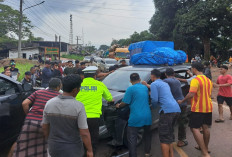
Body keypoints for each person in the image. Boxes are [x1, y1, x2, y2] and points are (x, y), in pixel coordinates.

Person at [42, 75, 93, 157]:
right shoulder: (79, 106)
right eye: (79, 88)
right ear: (75, 90)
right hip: (73, 149)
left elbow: (45, 127)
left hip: (54, 147)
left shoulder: (49, 103)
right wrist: (90, 150)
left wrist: (50, 140)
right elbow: (84, 133)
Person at [13, 78, 62, 157]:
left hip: (30, 122)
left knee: (22, 145)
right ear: (59, 87)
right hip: (47, 124)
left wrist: (29, 115)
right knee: (43, 147)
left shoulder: (38, 92)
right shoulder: (60, 96)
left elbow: (24, 103)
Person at [76, 66, 113, 154]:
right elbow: (109, 98)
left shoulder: (78, 85)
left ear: (83, 76)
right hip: (93, 117)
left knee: (79, 137)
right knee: (93, 138)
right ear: (95, 76)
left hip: (79, 116)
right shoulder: (100, 84)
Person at [178, 62, 212, 157]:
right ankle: (205, 148)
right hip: (208, 107)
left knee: (194, 128)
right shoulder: (208, 80)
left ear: (194, 69)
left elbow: (191, 93)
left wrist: (183, 100)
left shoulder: (195, 80)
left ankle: (205, 153)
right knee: (205, 128)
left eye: (192, 68)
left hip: (198, 108)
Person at [116, 73, 152, 157]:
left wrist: (118, 105)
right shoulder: (145, 88)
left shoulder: (130, 89)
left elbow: (125, 102)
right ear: (139, 79)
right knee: (147, 135)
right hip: (147, 116)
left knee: (132, 138)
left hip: (135, 117)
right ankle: (147, 153)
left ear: (130, 81)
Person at [149, 69, 180, 157]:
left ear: (152, 76)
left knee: (164, 137)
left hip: (167, 111)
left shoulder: (154, 84)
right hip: (176, 109)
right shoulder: (164, 83)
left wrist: (153, 107)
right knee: (169, 135)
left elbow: (154, 99)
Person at [163, 68, 188, 147]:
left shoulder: (166, 81)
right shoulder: (177, 81)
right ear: (173, 74)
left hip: (174, 105)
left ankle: (170, 140)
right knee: (182, 123)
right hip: (182, 104)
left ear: (165, 74)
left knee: (170, 123)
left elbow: (157, 86)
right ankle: (181, 140)